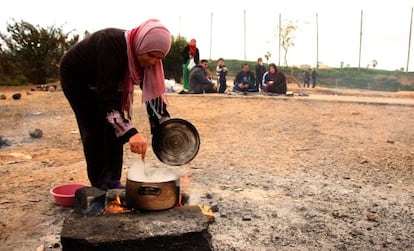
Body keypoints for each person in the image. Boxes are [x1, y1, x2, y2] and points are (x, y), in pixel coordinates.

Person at [59, 19, 172, 190]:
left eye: (159, 58)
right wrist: (131, 133)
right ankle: (102, 184)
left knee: (114, 129)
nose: (152, 62)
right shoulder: (110, 44)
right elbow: (107, 100)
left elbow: (152, 94)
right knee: (95, 126)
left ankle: (113, 181)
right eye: (150, 55)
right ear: (141, 45)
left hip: (105, 82)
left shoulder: (144, 55)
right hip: (77, 79)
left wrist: (165, 126)